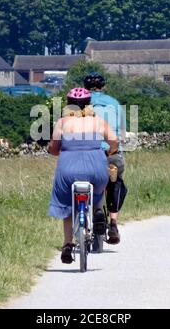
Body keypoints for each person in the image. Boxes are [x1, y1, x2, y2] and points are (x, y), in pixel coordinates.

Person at [48, 88, 119, 264]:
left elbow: (54, 148)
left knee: (66, 202)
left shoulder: (63, 122)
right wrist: (111, 151)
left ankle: (67, 244)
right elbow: (114, 141)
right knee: (98, 191)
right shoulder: (98, 121)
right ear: (89, 103)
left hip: (68, 169)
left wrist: (54, 150)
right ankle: (97, 212)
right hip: (96, 166)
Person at [84, 72, 127, 245]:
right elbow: (122, 133)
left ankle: (94, 211)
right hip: (111, 153)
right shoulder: (114, 103)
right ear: (104, 86)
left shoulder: (80, 105)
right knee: (116, 183)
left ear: (85, 88)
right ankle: (114, 224)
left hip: (89, 153)